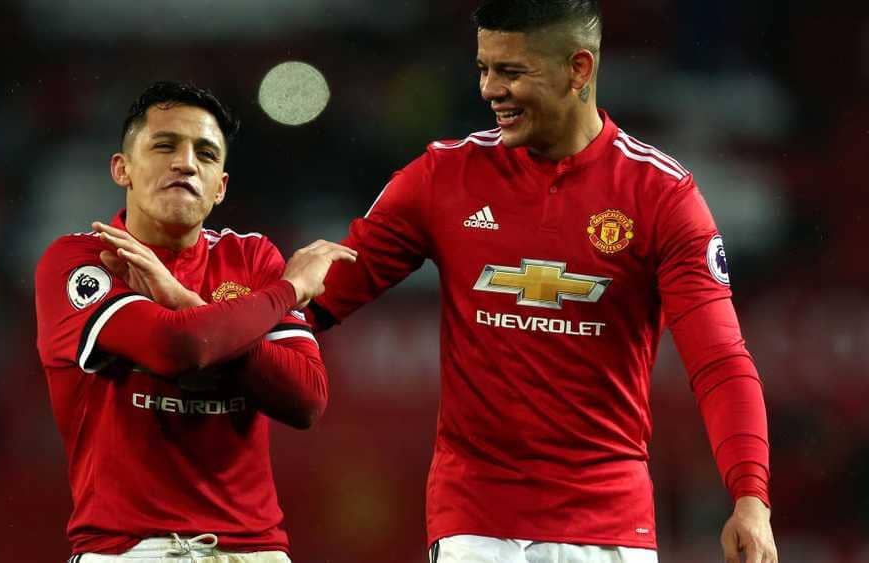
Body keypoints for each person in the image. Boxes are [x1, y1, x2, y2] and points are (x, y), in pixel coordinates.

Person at [305, 1, 778, 562]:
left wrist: (751, 497)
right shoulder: (442, 178)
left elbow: (719, 361)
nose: (489, 90)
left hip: (607, 530)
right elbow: (313, 305)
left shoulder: (660, 197)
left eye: (510, 72)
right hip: (475, 527)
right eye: (484, 68)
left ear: (579, 69)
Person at [34, 81, 356, 563]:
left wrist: (186, 305)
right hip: (129, 550)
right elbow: (177, 349)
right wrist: (286, 292)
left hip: (254, 550)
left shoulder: (250, 259)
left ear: (220, 186)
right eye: (164, 146)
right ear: (122, 169)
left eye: (205, 154)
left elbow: (306, 397)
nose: (186, 163)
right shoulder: (84, 260)